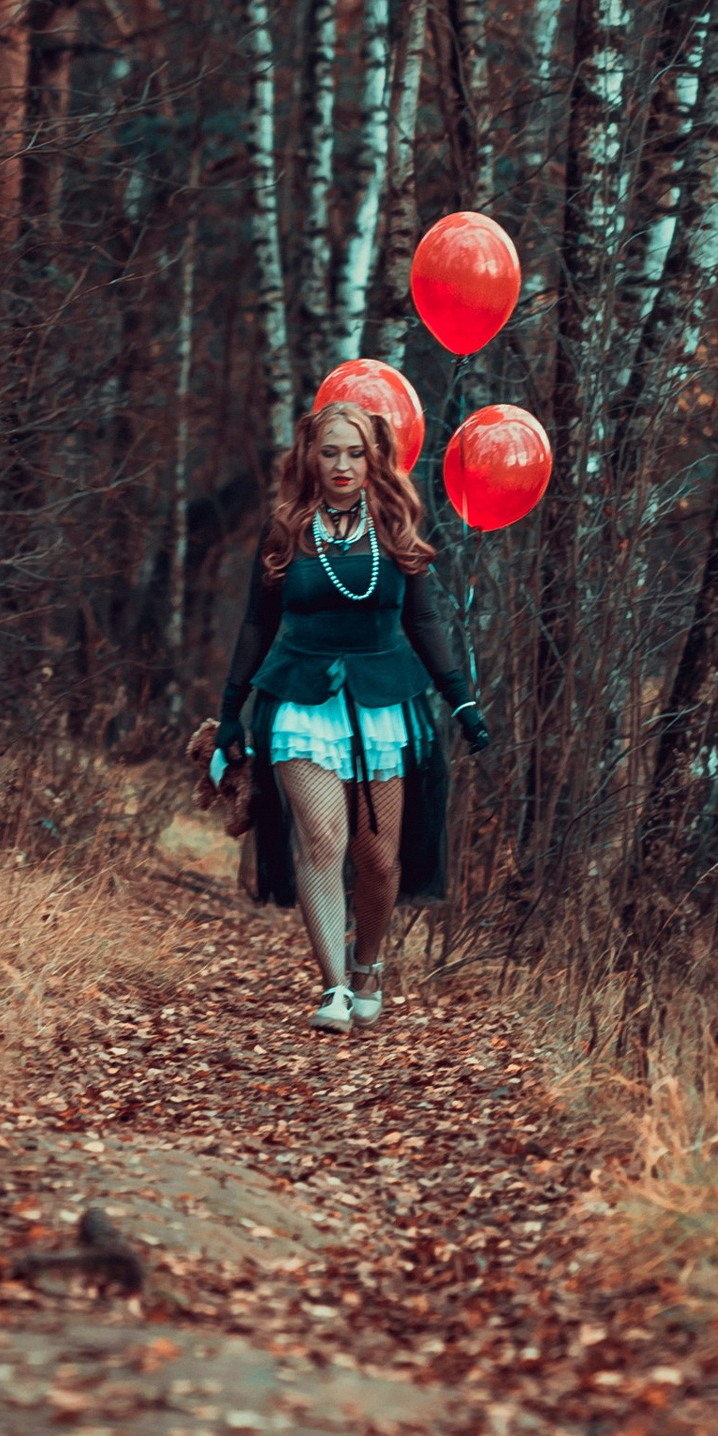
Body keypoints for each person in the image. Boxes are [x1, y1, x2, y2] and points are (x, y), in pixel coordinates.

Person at [189, 399, 489, 1031]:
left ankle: (367, 963)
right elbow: (256, 625)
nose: (342, 465)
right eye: (329, 452)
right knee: (323, 838)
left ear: (374, 458)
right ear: (310, 457)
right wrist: (230, 712)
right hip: (300, 701)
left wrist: (460, 698)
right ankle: (334, 989)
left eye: (355, 452)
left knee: (378, 859)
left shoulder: (395, 525)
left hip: (384, 706)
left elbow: (422, 621)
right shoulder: (286, 530)